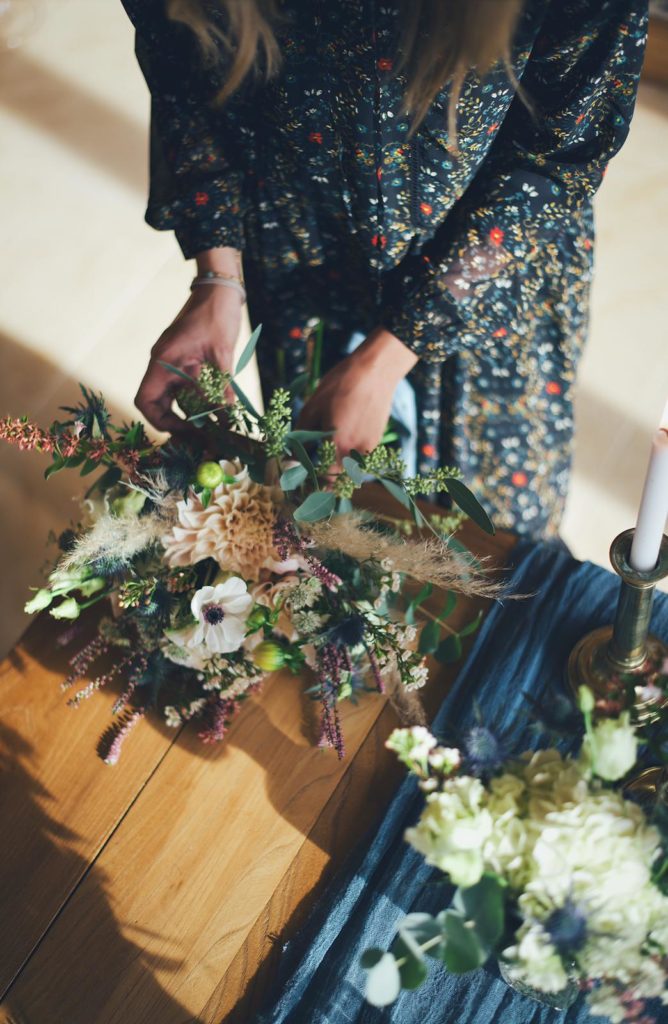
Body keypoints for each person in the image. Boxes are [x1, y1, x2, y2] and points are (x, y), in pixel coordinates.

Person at [121, 0, 648, 537]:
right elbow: (179, 69)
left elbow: (562, 149)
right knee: (323, 519)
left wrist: (394, 350)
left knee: (494, 537)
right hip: (295, 254)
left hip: (492, 263)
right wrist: (218, 277)